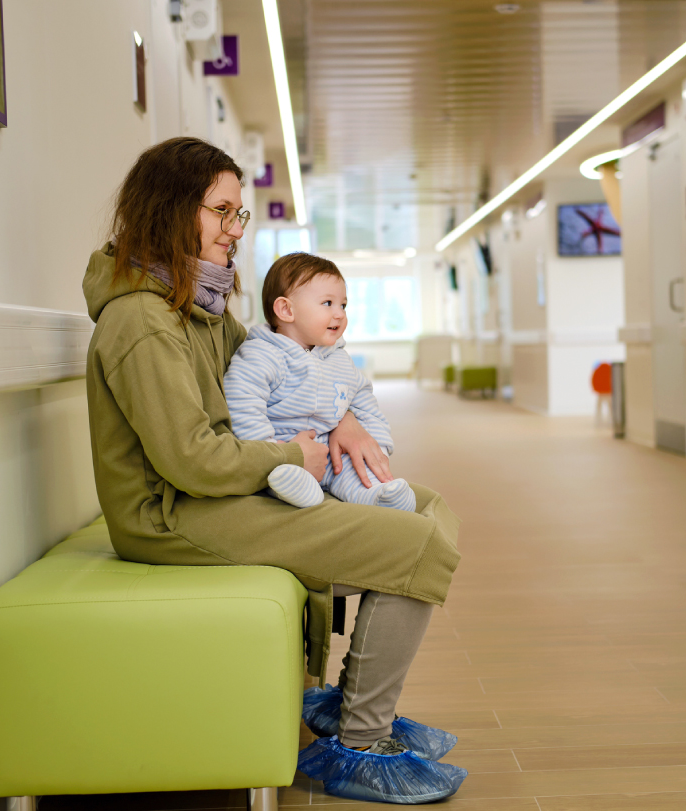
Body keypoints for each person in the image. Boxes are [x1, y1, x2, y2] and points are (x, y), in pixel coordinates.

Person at [81, 137, 466, 803]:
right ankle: (358, 740)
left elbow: (291, 374)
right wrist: (293, 456)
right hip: (173, 514)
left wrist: (342, 419)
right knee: (416, 541)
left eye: (240, 215)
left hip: (222, 491)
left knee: (426, 506)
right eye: (223, 212)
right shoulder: (143, 320)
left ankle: (343, 703)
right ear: (175, 209)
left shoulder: (194, 305)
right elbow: (188, 459)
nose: (235, 230)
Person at [223, 252, 417, 512]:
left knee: (355, 472)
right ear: (286, 310)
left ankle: (380, 496)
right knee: (283, 476)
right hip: (284, 451)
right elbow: (242, 404)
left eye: (343, 305)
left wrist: (378, 448)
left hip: (331, 452)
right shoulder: (262, 354)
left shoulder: (339, 359)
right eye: (327, 303)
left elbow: (365, 405)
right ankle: (300, 490)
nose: (339, 314)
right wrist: (270, 452)